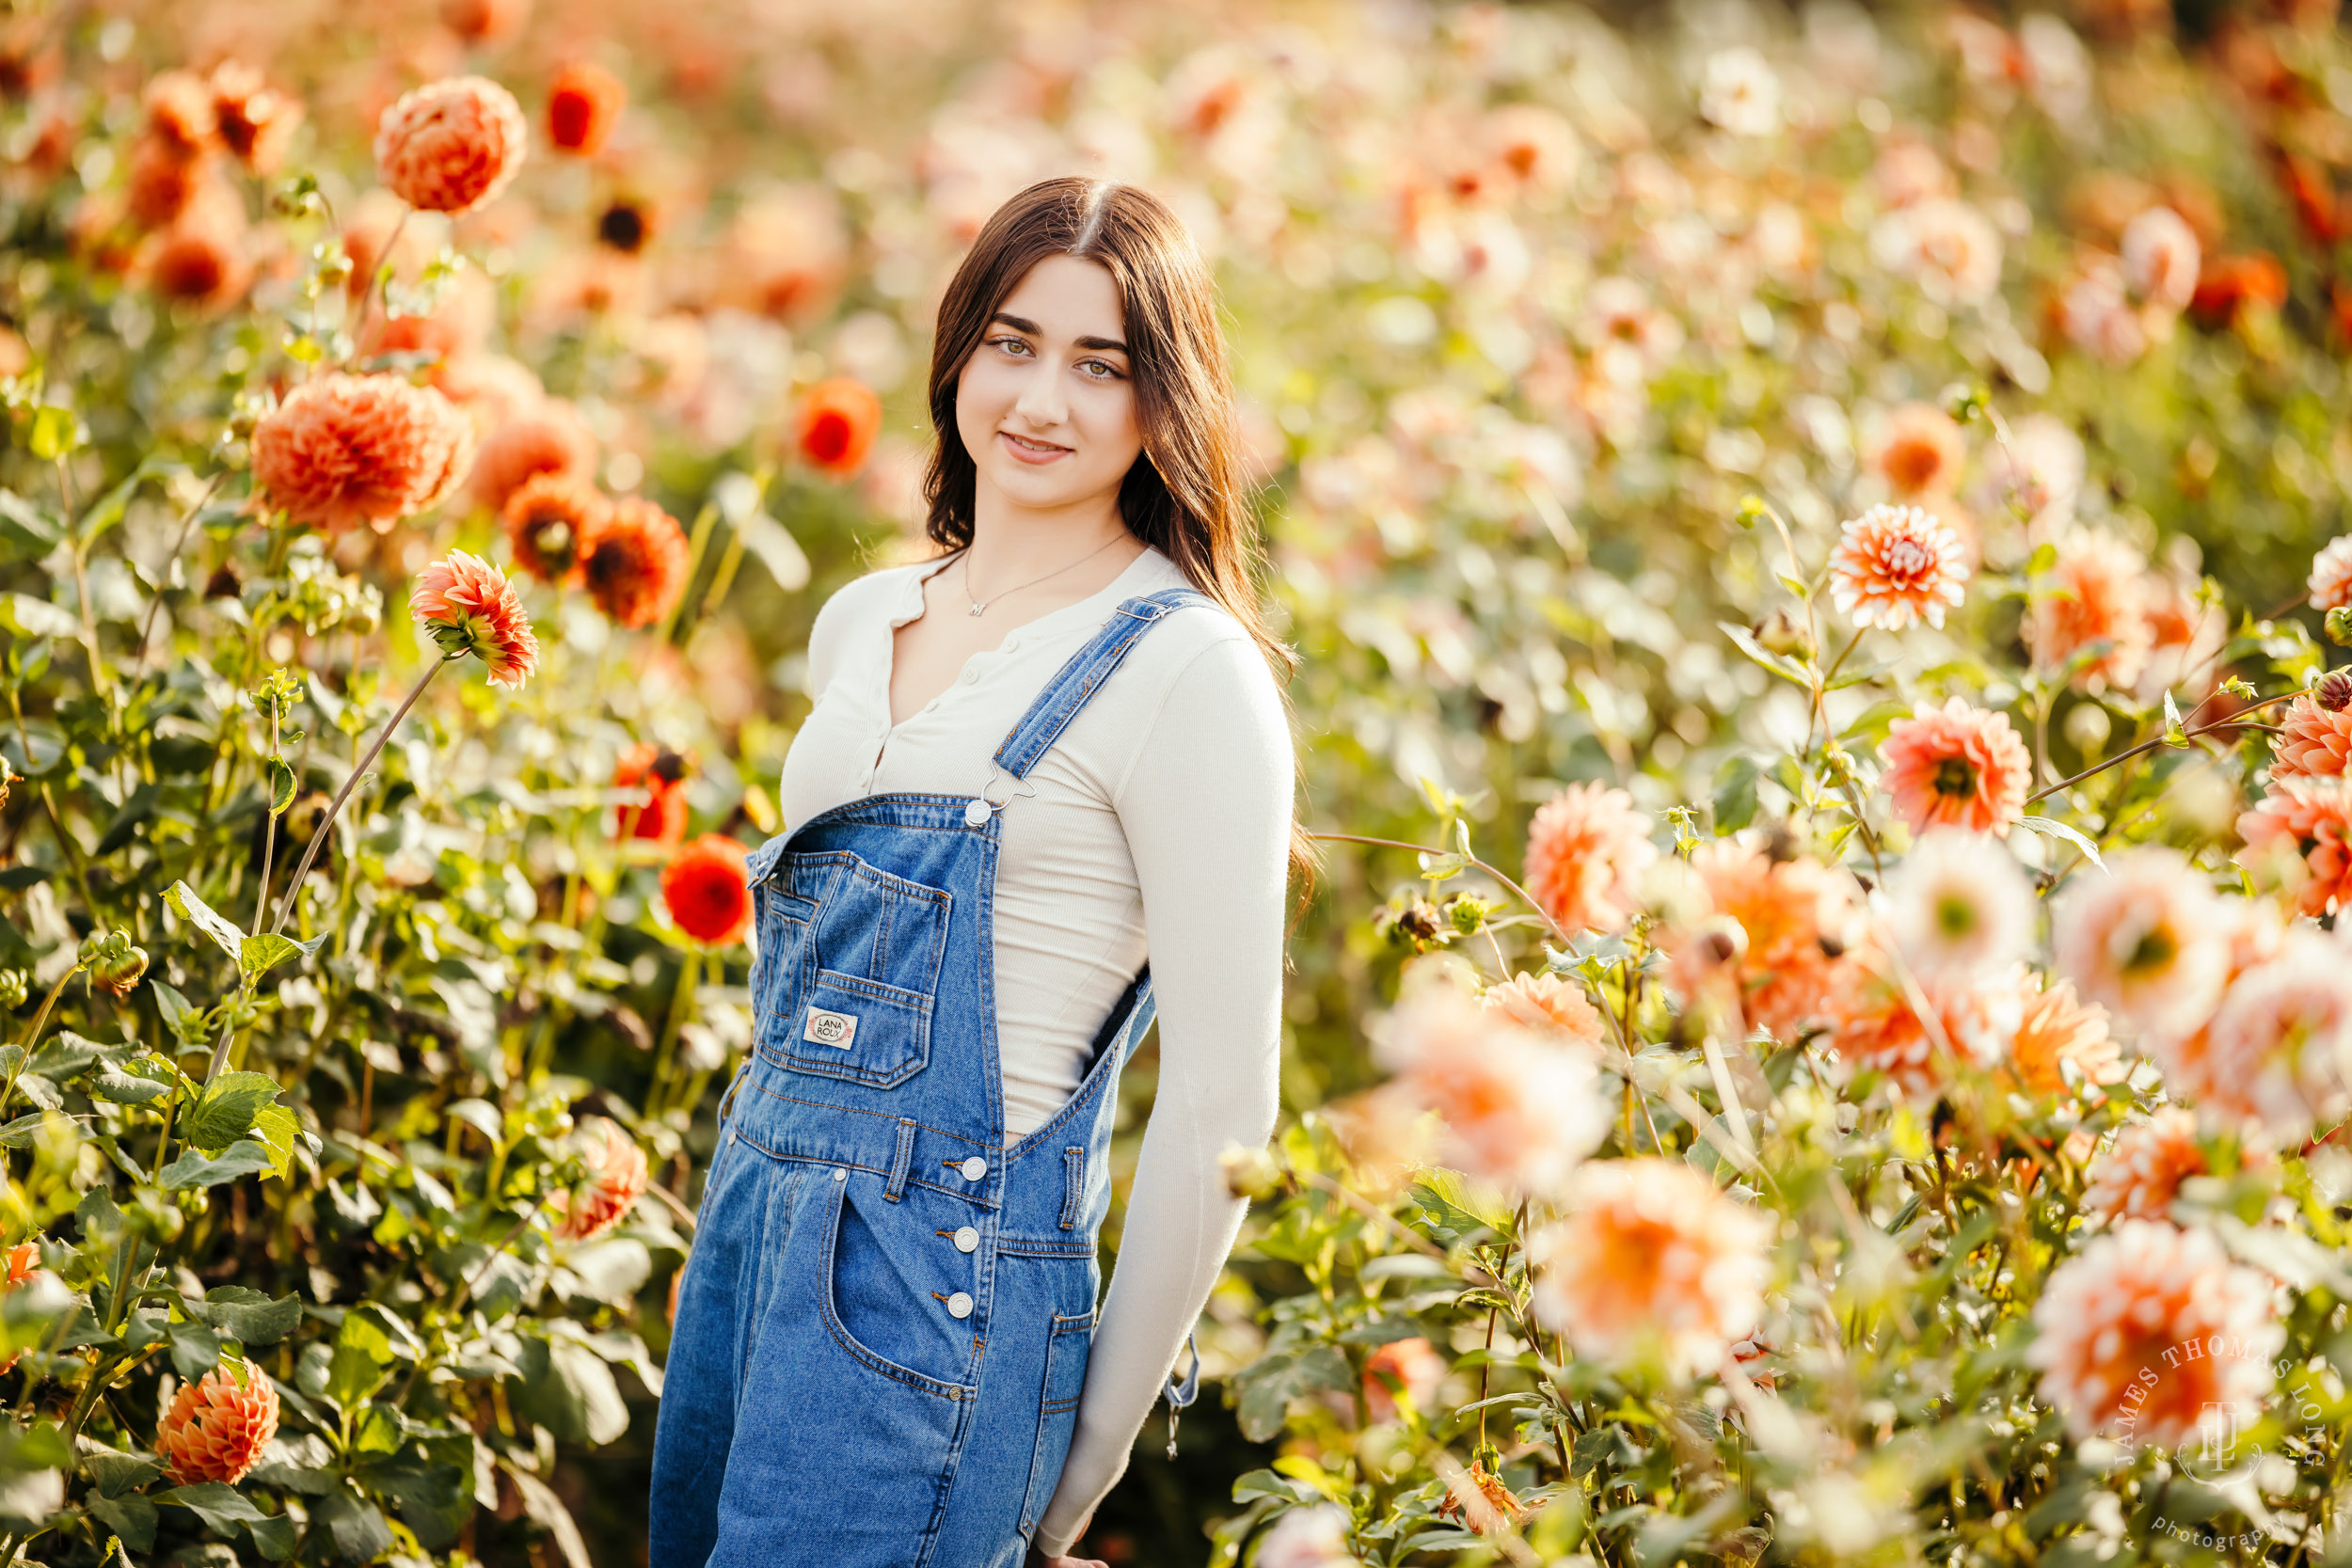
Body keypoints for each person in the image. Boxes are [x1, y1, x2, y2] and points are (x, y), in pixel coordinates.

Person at [649, 176, 1304, 1568]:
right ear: (956, 353)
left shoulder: (1186, 668)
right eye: (1012, 342)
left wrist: (1090, 1457)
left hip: (935, 1299)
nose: (1042, 401)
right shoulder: (865, 617)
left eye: (1101, 362)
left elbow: (1220, 1107)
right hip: (759, 1241)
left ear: (1160, 403)